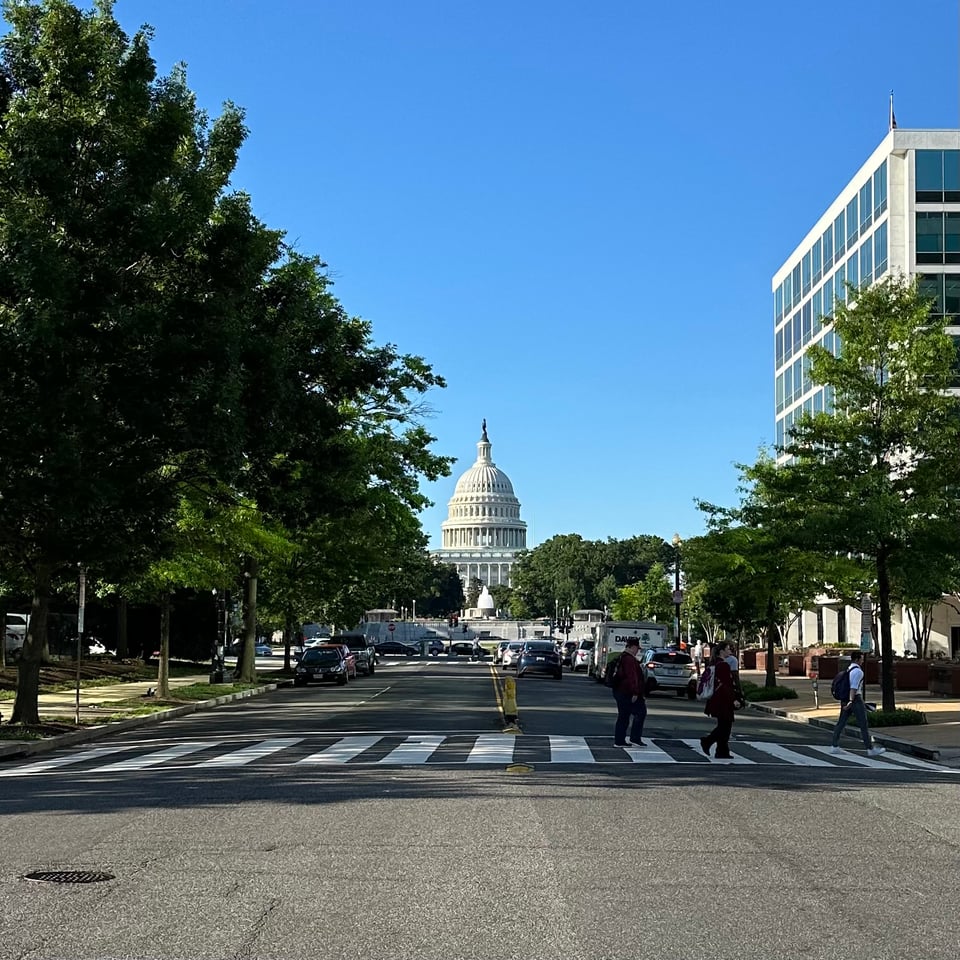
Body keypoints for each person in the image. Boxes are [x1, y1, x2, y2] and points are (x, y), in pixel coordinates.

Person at [831, 650, 885, 756]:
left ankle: (834, 745)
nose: (862, 661)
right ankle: (870, 749)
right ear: (857, 659)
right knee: (863, 724)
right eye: (861, 659)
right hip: (855, 699)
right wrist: (851, 701)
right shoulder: (858, 672)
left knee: (841, 722)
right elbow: (853, 688)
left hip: (845, 698)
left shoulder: (849, 668)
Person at [700, 641, 745, 760]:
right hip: (723, 699)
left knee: (723, 725)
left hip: (716, 698)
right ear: (722, 651)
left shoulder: (714, 663)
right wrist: (734, 699)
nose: (730, 651)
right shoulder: (724, 666)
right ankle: (708, 741)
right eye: (728, 649)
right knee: (725, 726)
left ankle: (722, 751)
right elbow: (727, 685)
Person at [612, 637, 647, 747]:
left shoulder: (622, 657)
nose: (638, 651)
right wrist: (636, 692)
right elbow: (632, 677)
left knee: (624, 715)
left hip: (620, 691)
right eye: (637, 648)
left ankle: (622, 739)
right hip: (627, 692)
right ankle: (631, 738)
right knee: (639, 713)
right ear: (632, 647)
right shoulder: (629, 660)